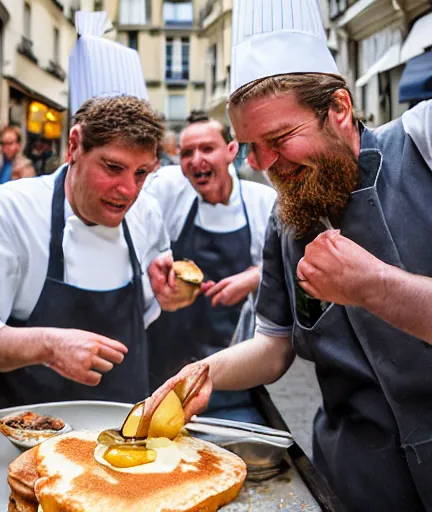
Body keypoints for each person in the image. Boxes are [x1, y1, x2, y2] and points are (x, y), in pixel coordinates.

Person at [155, 1, 432, 511]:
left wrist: (370, 283)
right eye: (251, 147)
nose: (266, 165)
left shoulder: (421, 148)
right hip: (355, 482)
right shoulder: (287, 221)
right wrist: (202, 374)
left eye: (280, 139)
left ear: (340, 109)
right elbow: (274, 346)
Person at [0, 11, 189, 428]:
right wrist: (47, 345)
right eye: (112, 167)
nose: (129, 190)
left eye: (142, 173)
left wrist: (167, 295)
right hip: (18, 444)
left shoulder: (147, 212)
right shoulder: (5, 210)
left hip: (121, 443)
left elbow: (146, 309)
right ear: (74, 146)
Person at [145, 111, 276, 422]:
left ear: (231, 151)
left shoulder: (262, 201)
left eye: (207, 149)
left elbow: (293, 263)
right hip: (169, 363)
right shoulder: (171, 197)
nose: (196, 159)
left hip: (232, 365)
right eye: (187, 152)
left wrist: (254, 277)